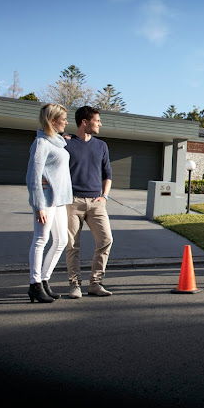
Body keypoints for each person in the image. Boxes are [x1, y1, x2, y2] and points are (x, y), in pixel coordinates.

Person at [25, 104, 73, 303]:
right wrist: (39, 206)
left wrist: (63, 139)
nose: (66, 122)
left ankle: (44, 279)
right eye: (63, 119)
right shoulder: (41, 143)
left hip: (60, 201)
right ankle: (34, 284)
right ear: (52, 121)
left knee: (62, 240)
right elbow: (32, 176)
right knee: (40, 240)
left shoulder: (56, 142)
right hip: (46, 200)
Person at [65, 106, 114, 298]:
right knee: (72, 245)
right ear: (85, 122)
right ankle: (74, 285)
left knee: (106, 240)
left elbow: (107, 174)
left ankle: (95, 283)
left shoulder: (101, 146)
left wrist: (105, 196)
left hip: (96, 202)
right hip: (72, 202)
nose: (100, 124)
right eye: (97, 120)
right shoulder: (65, 143)